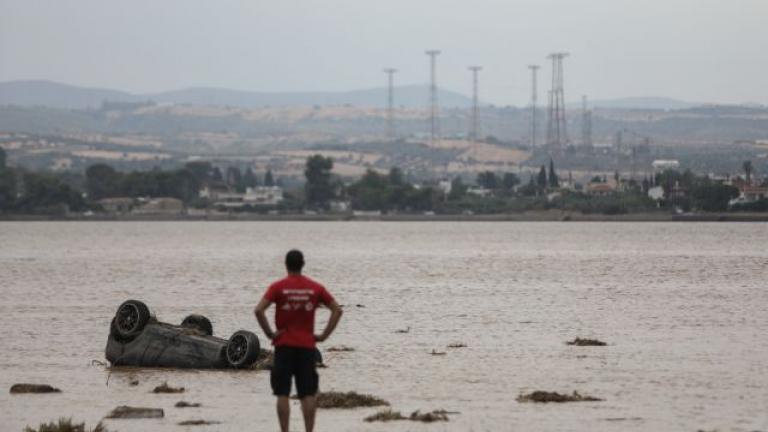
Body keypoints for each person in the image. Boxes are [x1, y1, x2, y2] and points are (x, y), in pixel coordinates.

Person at [255, 249, 343, 432]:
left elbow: (259, 310)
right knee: (307, 393)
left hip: (283, 346)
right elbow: (337, 309)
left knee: (282, 393)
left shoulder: (278, 287)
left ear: (286, 265)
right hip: (306, 347)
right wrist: (324, 335)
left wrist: (270, 333)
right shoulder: (315, 287)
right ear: (302, 264)